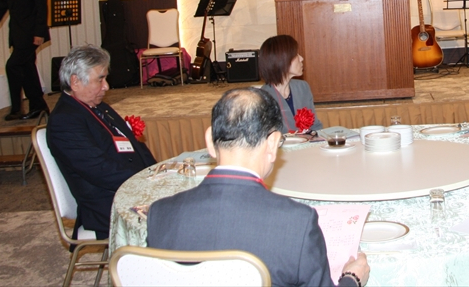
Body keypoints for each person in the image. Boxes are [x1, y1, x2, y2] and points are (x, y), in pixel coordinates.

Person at [147, 88, 370, 287]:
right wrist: (352, 279)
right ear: (272, 144)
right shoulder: (297, 223)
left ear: (210, 142)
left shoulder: (160, 214)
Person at [46, 45, 156, 239]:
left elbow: (136, 147)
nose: (106, 86)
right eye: (100, 79)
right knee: (183, 215)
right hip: (109, 204)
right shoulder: (64, 121)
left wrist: (157, 174)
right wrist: (147, 183)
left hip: (131, 189)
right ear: (75, 82)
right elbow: (101, 170)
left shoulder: (100, 107)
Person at [258, 35, 324, 133]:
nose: (301, 58)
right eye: (296, 55)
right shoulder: (263, 98)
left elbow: (315, 126)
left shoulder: (303, 87)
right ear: (282, 60)